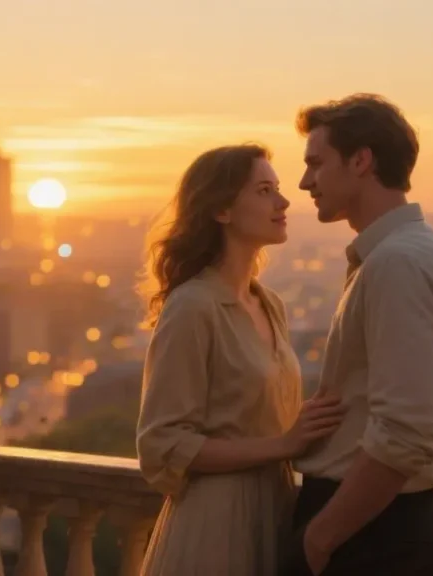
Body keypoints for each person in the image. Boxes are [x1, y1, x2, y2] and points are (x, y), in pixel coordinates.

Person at [284, 94, 433, 576]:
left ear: (362, 160)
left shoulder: (398, 263)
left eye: (316, 163)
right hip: (380, 523)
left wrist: (318, 537)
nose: (305, 182)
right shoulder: (418, 252)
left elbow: (406, 433)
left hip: (369, 532)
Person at [136, 144, 346, 576]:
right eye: (264, 190)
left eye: (278, 189)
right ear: (221, 211)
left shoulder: (269, 303)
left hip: (274, 512)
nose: (283, 202)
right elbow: (162, 443)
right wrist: (282, 445)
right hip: (216, 525)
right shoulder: (192, 306)